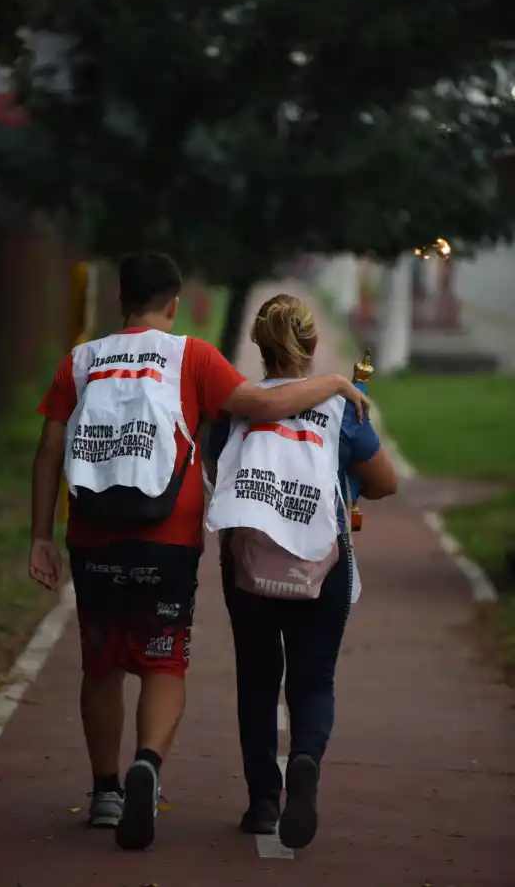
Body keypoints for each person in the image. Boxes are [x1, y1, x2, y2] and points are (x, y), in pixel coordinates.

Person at [29, 255, 371, 852]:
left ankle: (107, 790)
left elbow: (48, 450)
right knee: (164, 662)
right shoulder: (189, 356)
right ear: (175, 304)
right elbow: (263, 405)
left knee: (102, 663)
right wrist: (338, 383)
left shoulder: (80, 360)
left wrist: (39, 535)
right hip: (166, 541)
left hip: (91, 537)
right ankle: (148, 765)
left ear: (120, 302)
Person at [206, 293, 398, 850]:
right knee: (313, 678)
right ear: (312, 344)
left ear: (258, 345)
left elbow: (221, 466)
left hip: (249, 559)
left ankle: (263, 801)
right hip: (322, 559)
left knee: (257, 679)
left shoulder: (236, 404)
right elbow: (386, 482)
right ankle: (306, 760)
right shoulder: (346, 408)